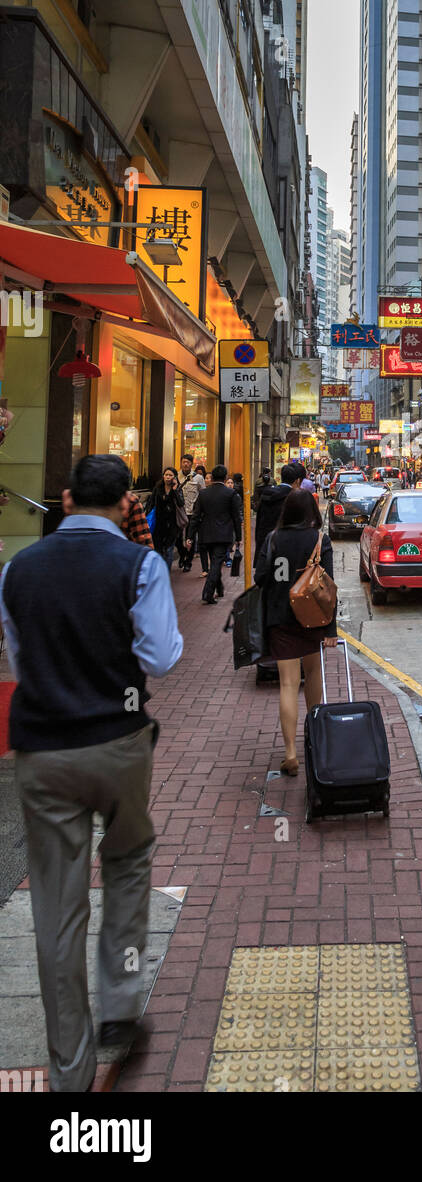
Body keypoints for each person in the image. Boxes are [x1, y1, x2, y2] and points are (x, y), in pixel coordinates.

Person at [0, 454, 182, 1091]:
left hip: (43, 752)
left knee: (57, 909)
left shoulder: (17, 569)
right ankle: (122, 1003)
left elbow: (20, 661)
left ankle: (69, 1075)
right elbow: (160, 659)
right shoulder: (140, 565)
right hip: (118, 741)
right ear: (127, 502)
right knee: (129, 865)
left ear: (68, 497)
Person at [253, 489, 338, 775]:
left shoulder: (273, 538)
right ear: (312, 512)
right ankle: (314, 740)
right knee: (313, 675)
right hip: (311, 619)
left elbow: (260, 576)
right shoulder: (319, 540)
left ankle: (290, 753)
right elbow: (329, 589)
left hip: (280, 617)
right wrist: (331, 629)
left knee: (288, 684)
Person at [187, 464, 242, 603]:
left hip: (206, 533)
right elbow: (236, 517)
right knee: (216, 563)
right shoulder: (231, 494)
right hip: (224, 534)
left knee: (215, 561)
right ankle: (208, 593)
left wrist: (190, 535)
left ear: (211, 478)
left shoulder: (204, 493)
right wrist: (239, 537)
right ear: (225, 478)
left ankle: (220, 588)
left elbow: (196, 515)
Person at [254, 462, 304, 565]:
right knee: (282, 578)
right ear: (297, 481)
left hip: (265, 547)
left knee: (267, 578)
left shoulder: (266, 494)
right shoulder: (296, 498)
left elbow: (259, 523)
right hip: (284, 553)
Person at [150, 467, 186, 571]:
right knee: (158, 548)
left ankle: (166, 572)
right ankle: (158, 570)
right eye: (166, 475)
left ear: (174, 477)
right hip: (159, 523)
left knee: (169, 549)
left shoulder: (177, 489)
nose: (168, 477)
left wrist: (174, 490)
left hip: (172, 524)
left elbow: (181, 503)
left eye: (170, 475)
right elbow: (151, 503)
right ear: (163, 476)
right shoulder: (158, 488)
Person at [176, 454, 205, 571]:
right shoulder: (176, 476)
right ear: (181, 463)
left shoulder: (198, 478)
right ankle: (182, 554)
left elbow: (202, 494)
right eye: (183, 462)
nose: (186, 464)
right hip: (179, 512)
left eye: (188, 462)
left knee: (190, 538)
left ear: (191, 464)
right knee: (177, 539)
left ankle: (188, 561)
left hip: (192, 512)